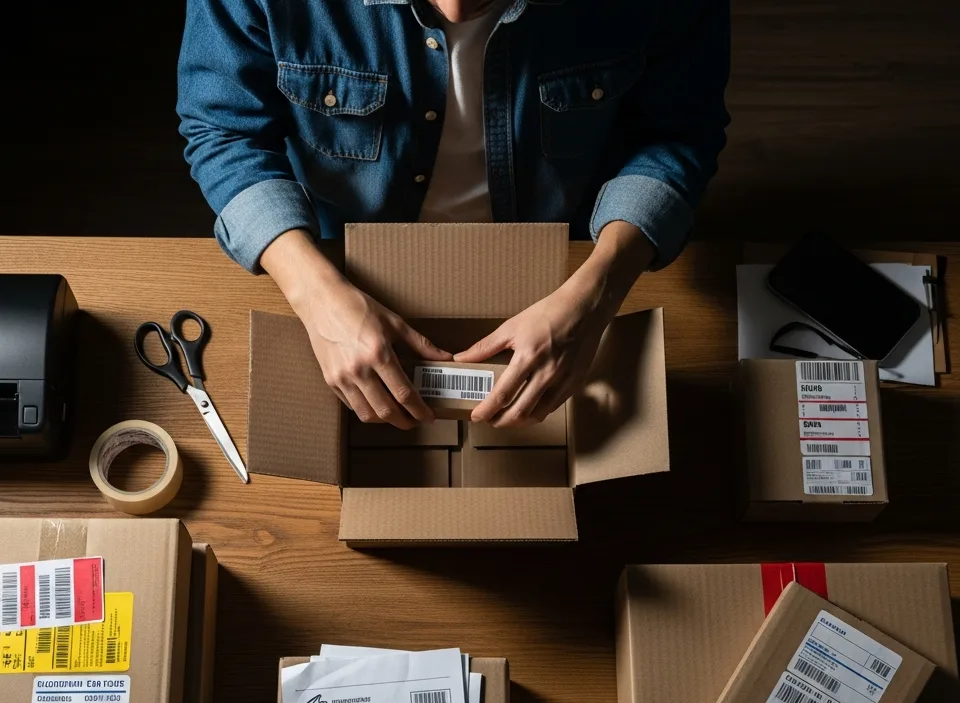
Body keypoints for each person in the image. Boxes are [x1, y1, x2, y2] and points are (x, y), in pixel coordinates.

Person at [178, 0, 729, 429]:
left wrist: (600, 290)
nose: (460, 10)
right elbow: (223, 130)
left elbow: (677, 131)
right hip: (340, 256)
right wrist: (313, 293)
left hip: (565, 258)